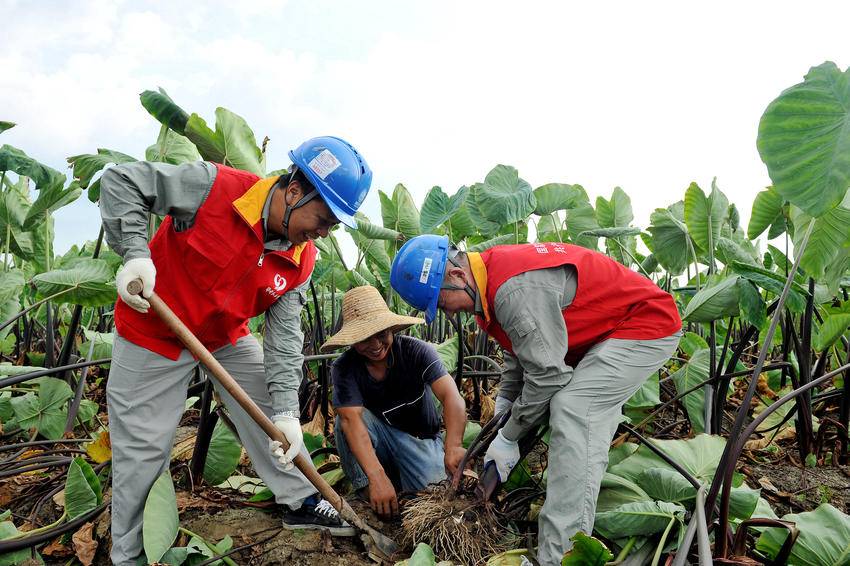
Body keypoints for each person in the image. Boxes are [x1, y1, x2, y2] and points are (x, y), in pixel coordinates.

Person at [100, 136, 371, 566]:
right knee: (143, 452)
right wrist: (135, 254)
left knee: (269, 409)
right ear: (295, 192)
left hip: (224, 336)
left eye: (332, 226)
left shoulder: (301, 258)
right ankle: (128, 555)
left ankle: (299, 499)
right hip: (154, 330)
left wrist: (285, 412)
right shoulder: (214, 188)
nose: (322, 232)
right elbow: (121, 182)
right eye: (322, 219)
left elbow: (284, 340)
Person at [389, 235, 682, 565]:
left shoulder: (513, 290)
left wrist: (510, 436)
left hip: (643, 324)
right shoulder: (487, 285)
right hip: (601, 335)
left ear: (456, 276)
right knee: (552, 411)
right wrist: (501, 420)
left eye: (441, 303)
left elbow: (549, 376)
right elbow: (520, 361)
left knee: (574, 410)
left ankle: (558, 557)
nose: (447, 311)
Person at [319, 285, 467, 518]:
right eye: (365, 339)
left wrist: (454, 446)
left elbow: (452, 397)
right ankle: (368, 493)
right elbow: (350, 420)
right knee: (344, 422)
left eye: (381, 334)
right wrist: (376, 478)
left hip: (420, 440)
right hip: (378, 442)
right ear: (353, 340)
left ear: (391, 329)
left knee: (436, 499)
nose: (376, 345)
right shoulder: (344, 367)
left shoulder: (416, 351)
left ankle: (398, 488)